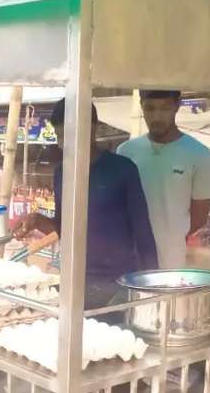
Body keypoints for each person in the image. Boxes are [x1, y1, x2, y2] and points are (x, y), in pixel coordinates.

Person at [15, 99, 158, 309]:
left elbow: (143, 232)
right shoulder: (61, 172)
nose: (62, 143)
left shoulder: (123, 169)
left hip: (117, 283)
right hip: (76, 280)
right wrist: (37, 220)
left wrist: (151, 290)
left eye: (67, 135)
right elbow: (65, 229)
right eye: (59, 136)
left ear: (92, 128)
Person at [118, 90, 210, 268]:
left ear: (177, 106)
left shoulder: (200, 155)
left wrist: (171, 237)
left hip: (173, 263)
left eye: (165, 108)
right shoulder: (126, 152)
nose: (157, 116)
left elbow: (199, 219)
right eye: (150, 108)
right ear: (141, 106)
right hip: (130, 261)